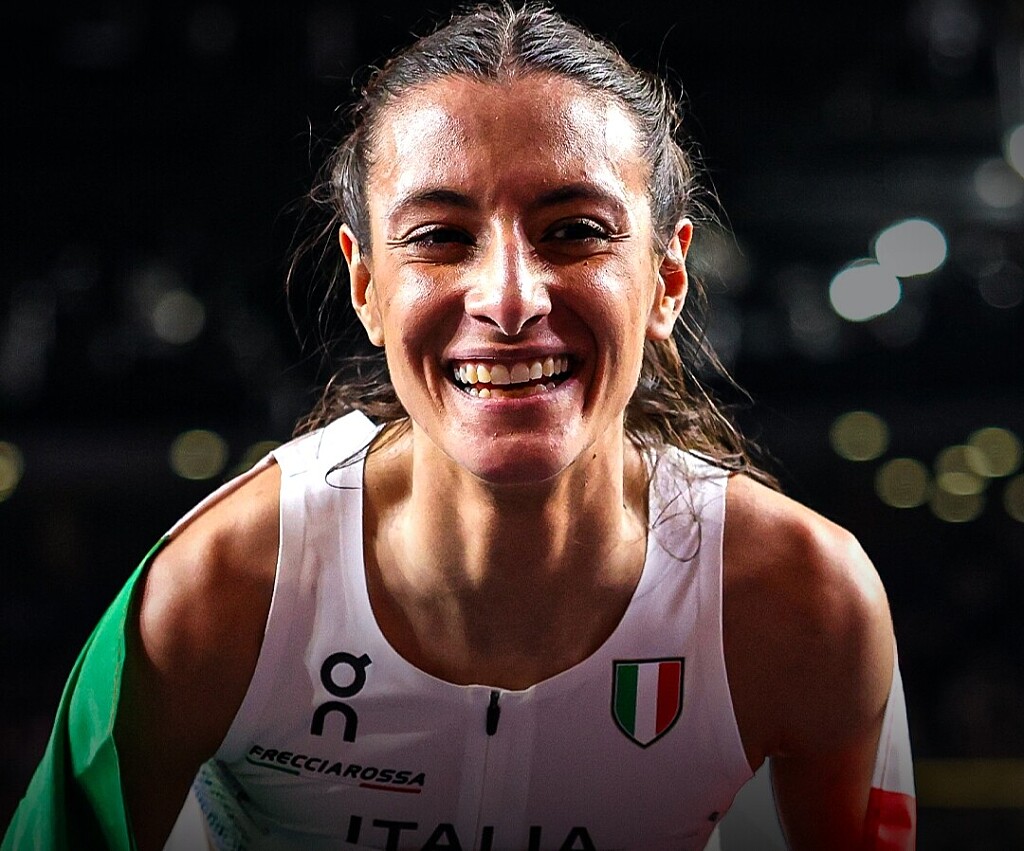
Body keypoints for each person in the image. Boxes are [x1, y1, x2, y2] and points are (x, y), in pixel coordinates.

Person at [4, 3, 916, 850]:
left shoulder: (805, 604)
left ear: (668, 280)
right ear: (366, 284)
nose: (510, 300)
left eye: (575, 230)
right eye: (441, 236)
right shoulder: (218, 594)